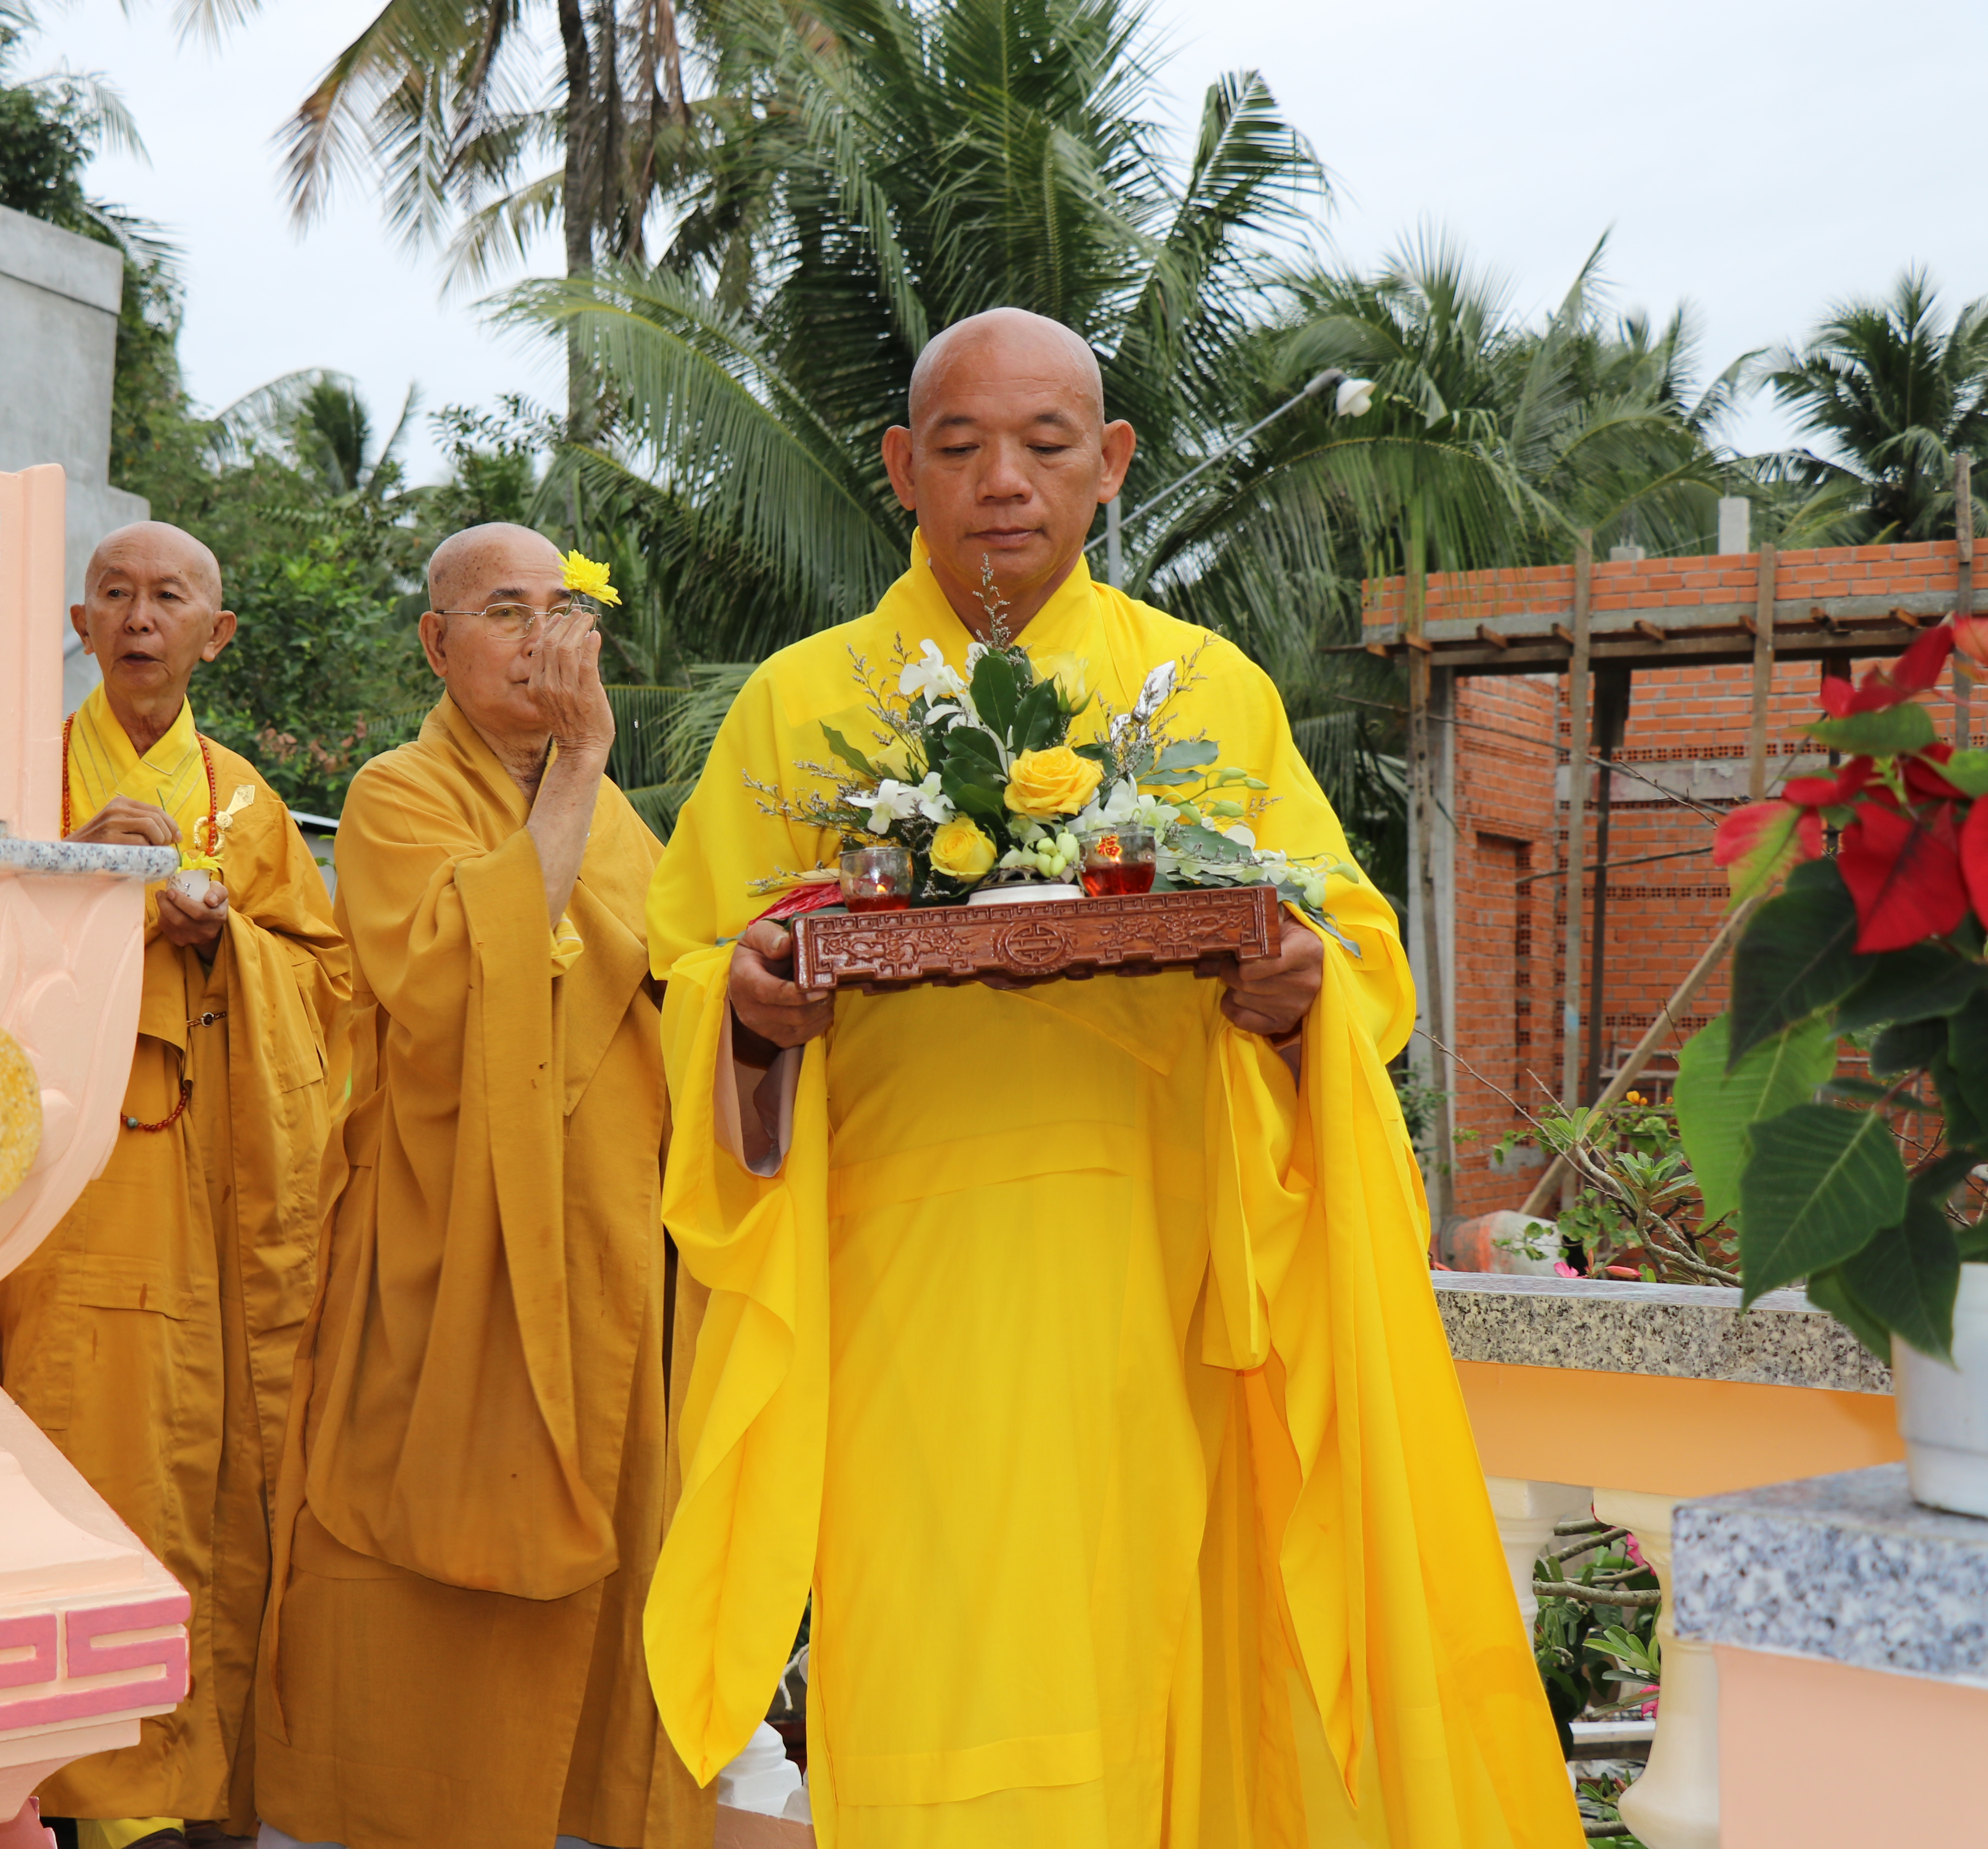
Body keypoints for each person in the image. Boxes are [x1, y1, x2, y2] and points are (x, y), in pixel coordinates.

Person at [643, 310, 1579, 1845]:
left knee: (1184, 1692)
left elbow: (1357, 959)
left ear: (1112, 466)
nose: (1002, 482)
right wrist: (743, 1011)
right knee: (941, 1696)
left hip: (1169, 1297)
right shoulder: (801, 709)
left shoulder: (1206, 694)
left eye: (1045, 444)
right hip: (912, 1306)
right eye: (958, 447)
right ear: (900, 470)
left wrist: (1297, 998)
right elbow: (689, 966)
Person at [252, 524, 713, 1849]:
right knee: (400, 1543)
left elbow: (668, 988)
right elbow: (461, 987)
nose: (535, 638)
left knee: (609, 1555)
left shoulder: (619, 817)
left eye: (557, 610)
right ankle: (383, 1807)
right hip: (441, 1254)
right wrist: (579, 759)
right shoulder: (402, 796)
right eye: (502, 611)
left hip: (600, 1256)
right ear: (436, 643)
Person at [0, 521, 349, 1848]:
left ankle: (160, 1779)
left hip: (193, 1182)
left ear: (216, 634)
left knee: (177, 1462)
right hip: (36, 1192)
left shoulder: (245, 804)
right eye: (117, 596)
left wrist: (226, 935)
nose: (142, 618)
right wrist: (84, 874)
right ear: (80, 625)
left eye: (170, 597)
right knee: (38, 1444)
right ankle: (32, 1781)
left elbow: (329, 982)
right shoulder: (17, 781)